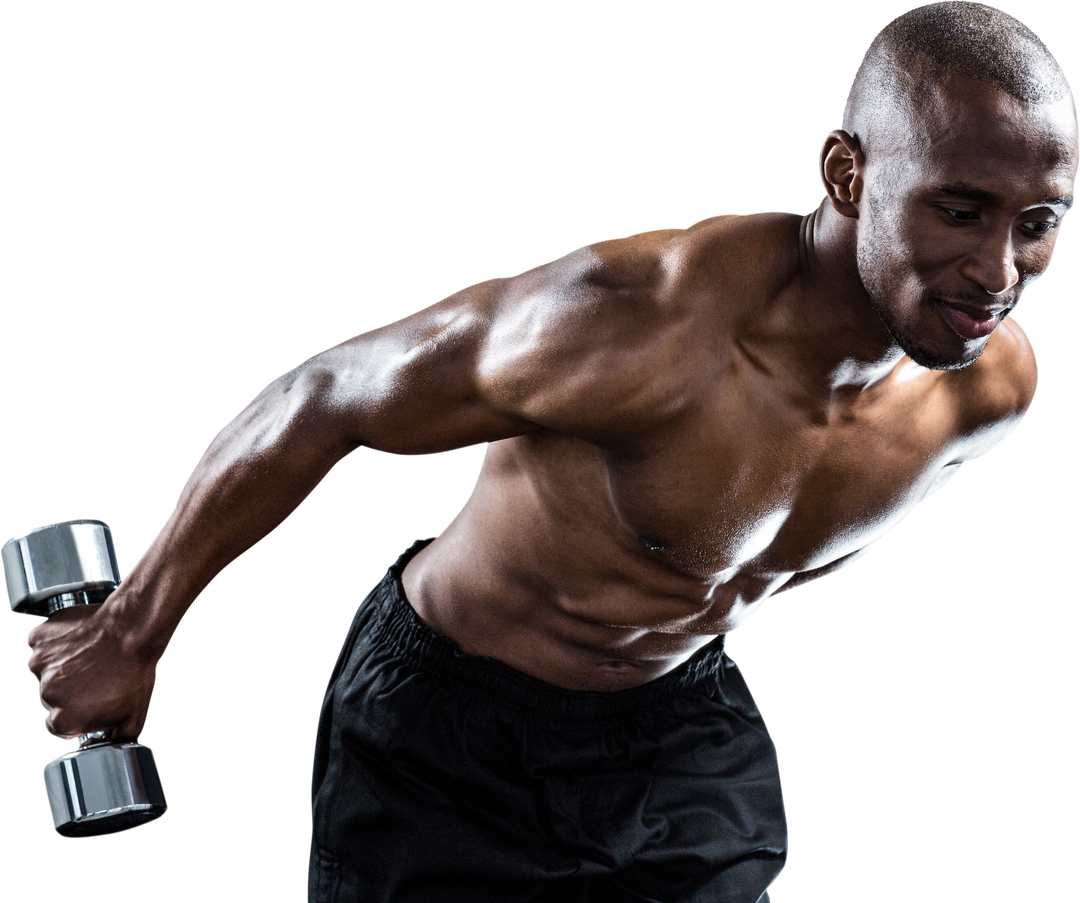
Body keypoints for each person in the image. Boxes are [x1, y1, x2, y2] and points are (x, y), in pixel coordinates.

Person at [22, 3, 1077, 900]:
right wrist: (130, 631)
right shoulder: (635, 324)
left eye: (1037, 222)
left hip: (679, 727)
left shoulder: (989, 391)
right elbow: (323, 397)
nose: (998, 269)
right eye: (957, 209)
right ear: (847, 174)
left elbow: (743, 554)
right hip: (447, 734)